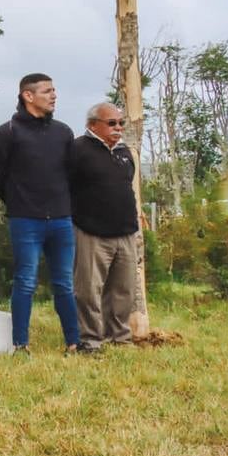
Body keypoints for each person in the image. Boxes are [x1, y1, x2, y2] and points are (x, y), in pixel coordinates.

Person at [0, 73, 82, 353]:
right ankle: (20, 344)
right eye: (47, 91)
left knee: (64, 282)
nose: (54, 96)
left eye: (54, 90)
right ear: (28, 95)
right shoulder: (8, 132)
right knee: (25, 281)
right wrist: (16, 200)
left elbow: (70, 174)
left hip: (61, 220)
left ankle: (74, 343)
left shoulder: (63, 132)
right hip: (25, 220)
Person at [69, 102, 140, 352]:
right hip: (90, 231)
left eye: (121, 123)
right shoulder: (77, 149)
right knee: (88, 289)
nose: (118, 128)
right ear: (92, 125)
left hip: (125, 232)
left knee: (123, 290)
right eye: (112, 123)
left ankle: (119, 337)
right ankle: (90, 339)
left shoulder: (124, 152)